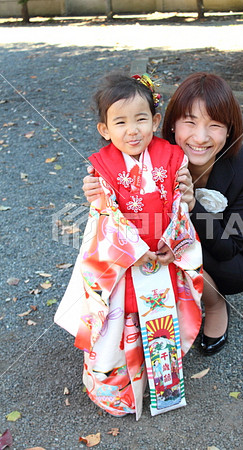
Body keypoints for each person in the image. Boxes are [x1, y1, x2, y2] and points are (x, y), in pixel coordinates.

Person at [83, 72, 243, 356]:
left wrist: (192, 209)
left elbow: (230, 243)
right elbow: (115, 184)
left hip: (228, 246)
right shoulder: (151, 154)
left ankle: (215, 304)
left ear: (229, 129)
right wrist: (98, 190)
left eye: (215, 125)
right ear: (170, 124)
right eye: (190, 122)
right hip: (155, 241)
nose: (200, 137)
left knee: (221, 266)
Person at [54, 73, 203, 420]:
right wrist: (135, 250)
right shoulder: (102, 168)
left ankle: (157, 380)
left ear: (154, 121)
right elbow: (105, 215)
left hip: (163, 254)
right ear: (105, 129)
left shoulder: (172, 158)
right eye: (120, 122)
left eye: (140, 119)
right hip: (122, 263)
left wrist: (173, 243)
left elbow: (181, 203)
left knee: (161, 322)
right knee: (120, 325)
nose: (132, 130)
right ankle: (118, 387)